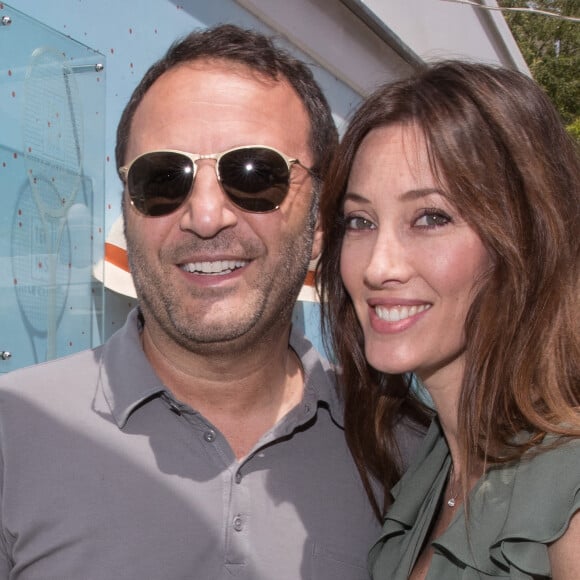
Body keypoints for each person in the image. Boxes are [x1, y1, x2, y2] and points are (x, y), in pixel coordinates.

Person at [0, 24, 427, 580]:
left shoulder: (410, 454)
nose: (205, 218)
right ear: (129, 210)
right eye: (162, 179)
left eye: (255, 175)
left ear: (322, 222)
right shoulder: (15, 432)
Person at [317, 60, 580, 579]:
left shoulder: (568, 502)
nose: (378, 266)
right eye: (360, 221)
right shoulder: (432, 466)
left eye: (431, 218)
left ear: (526, 238)